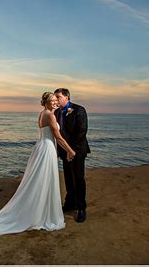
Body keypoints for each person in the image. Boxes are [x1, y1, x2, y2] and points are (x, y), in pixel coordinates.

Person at [0, 92, 76, 237]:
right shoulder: (49, 115)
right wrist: (70, 151)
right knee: (43, 180)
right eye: (52, 101)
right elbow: (58, 137)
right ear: (46, 102)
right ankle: (40, 214)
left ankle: (40, 210)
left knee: (41, 180)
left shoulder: (43, 113)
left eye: (57, 100)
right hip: (46, 148)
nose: (56, 102)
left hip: (43, 147)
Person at [54, 88, 90, 223]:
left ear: (66, 98)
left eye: (58, 97)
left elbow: (82, 131)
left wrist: (71, 150)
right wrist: (62, 150)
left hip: (78, 150)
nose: (56, 100)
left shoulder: (79, 110)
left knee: (79, 178)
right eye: (55, 97)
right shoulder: (57, 112)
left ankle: (81, 208)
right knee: (68, 178)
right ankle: (70, 204)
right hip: (65, 151)